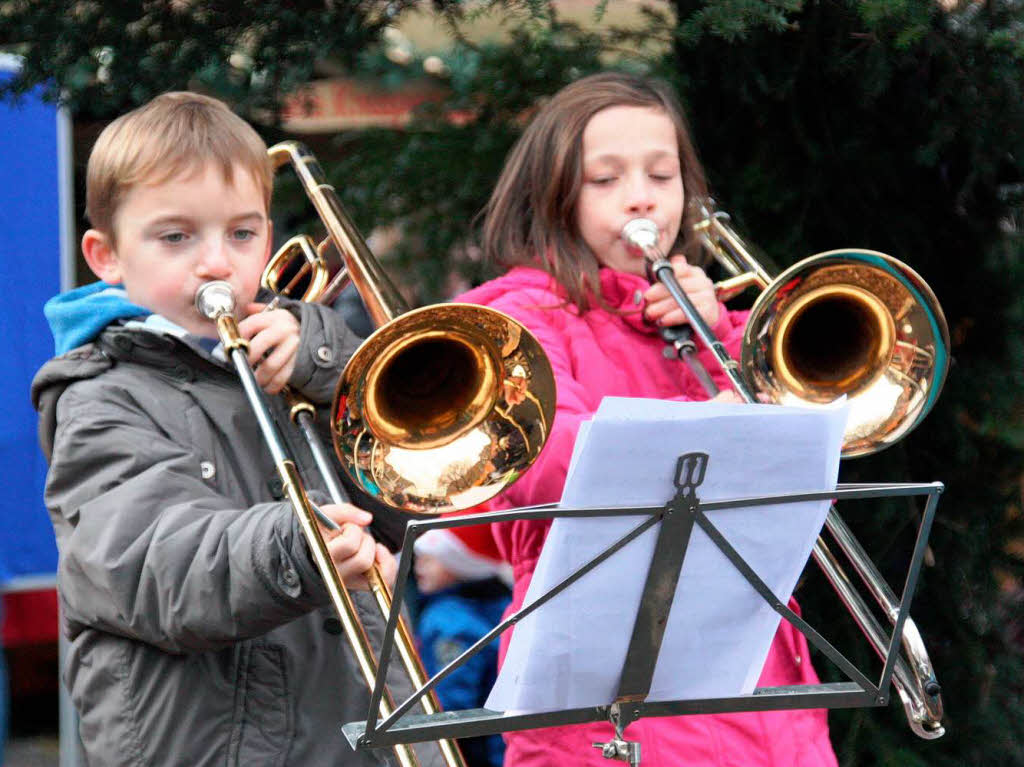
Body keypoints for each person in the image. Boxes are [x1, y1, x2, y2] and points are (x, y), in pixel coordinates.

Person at [30, 92, 436, 767]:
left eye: (241, 235)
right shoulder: (100, 393)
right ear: (107, 256)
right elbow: (156, 564)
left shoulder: (311, 364)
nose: (216, 262)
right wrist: (304, 546)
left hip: (354, 732)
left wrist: (332, 370)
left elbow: (406, 504)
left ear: (268, 241)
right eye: (175, 237)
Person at [454, 72, 839, 766]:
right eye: (605, 179)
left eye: (662, 175)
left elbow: (809, 463)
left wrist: (722, 331)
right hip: (599, 713)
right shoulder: (515, 319)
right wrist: (706, 429)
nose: (641, 197)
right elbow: (545, 463)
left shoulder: (721, 323)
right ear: (553, 198)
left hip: (766, 698)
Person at [413, 526, 512, 767]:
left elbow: (450, 707)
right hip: (506, 747)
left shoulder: (448, 621)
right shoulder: (507, 603)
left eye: (430, 560)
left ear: (460, 564)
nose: (418, 568)